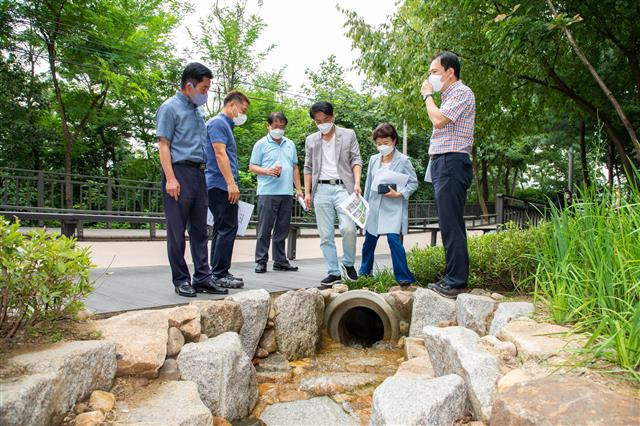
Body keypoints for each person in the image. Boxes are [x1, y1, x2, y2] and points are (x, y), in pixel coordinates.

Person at [155, 62, 228, 297]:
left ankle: (203, 277)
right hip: (178, 172)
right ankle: (181, 279)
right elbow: (163, 145)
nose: (206, 93)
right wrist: (170, 178)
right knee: (177, 231)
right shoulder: (170, 108)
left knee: (200, 229)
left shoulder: (198, 111)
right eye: (204, 89)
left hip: (199, 173)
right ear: (189, 86)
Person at [420, 51, 476, 298]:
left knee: (451, 223)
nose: (430, 77)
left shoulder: (462, 92)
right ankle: (452, 277)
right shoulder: (451, 95)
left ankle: (455, 281)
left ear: (450, 72)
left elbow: (439, 120)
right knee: (448, 222)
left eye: (434, 72)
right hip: (444, 162)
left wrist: (428, 96)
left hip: (452, 161)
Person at [303, 101, 363, 288]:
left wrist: (357, 184)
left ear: (333, 116)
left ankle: (347, 263)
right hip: (320, 190)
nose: (322, 123)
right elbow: (308, 167)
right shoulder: (311, 140)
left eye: (326, 119)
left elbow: (356, 159)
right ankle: (333, 272)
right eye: (318, 121)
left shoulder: (348, 134)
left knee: (348, 229)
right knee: (326, 234)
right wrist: (307, 192)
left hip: (343, 188)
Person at [359, 123, 418, 286]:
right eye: (379, 144)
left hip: (393, 206)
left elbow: (413, 183)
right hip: (374, 205)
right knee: (369, 240)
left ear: (394, 141)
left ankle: (404, 276)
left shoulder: (404, 160)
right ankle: (364, 274)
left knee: (393, 239)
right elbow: (368, 184)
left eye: (386, 143)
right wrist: (363, 206)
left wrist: (399, 193)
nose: (382, 146)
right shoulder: (373, 160)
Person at [205, 91, 251, 289]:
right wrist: (231, 183)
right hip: (220, 183)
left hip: (220, 183)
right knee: (227, 227)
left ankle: (218, 271)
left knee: (222, 227)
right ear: (232, 105)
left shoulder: (225, 125)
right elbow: (219, 153)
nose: (243, 114)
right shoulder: (218, 123)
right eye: (243, 109)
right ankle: (219, 273)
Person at [249, 112, 303, 273]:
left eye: (282, 126)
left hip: (286, 192)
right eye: (276, 126)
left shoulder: (290, 144)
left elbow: (294, 167)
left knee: (282, 228)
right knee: (264, 228)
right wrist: (267, 171)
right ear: (269, 126)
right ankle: (261, 260)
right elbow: (252, 166)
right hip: (267, 191)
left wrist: (299, 189)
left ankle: (280, 261)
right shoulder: (261, 144)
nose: (279, 129)